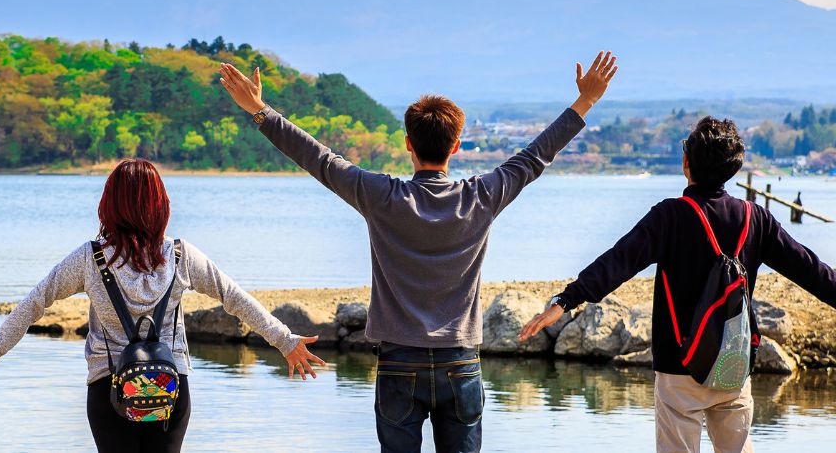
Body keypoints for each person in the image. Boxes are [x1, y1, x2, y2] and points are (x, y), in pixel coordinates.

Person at [219, 52, 619, 453]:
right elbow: (536, 157)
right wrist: (585, 102)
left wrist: (259, 110)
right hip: (460, 362)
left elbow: (319, 159)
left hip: (398, 362)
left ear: (408, 143)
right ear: (457, 146)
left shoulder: (381, 196)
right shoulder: (481, 196)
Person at [0, 157, 325, 453]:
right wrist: (285, 341)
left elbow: (37, 301)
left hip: (109, 389)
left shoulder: (90, 258)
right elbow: (236, 300)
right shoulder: (181, 256)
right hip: (170, 387)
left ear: (109, 204)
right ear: (160, 203)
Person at [518, 115, 836, 453]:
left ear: (686, 163)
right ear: (735, 168)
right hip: (733, 362)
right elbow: (813, 271)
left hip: (678, 365)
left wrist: (566, 301)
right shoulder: (756, 219)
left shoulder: (669, 216)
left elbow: (617, 263)